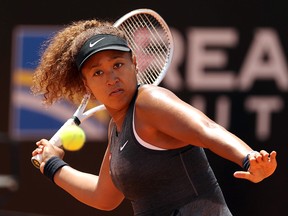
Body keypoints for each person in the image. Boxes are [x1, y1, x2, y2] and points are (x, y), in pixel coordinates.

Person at [31, 19, 277, 216]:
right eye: (98, 72)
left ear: (134, 64)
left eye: (118, 64)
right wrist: (53, 165)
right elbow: (103, 196)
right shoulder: (117, 131)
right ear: (87, 85)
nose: (111, 78)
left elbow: (207, 129)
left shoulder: (149, 101)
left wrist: (248, 158)